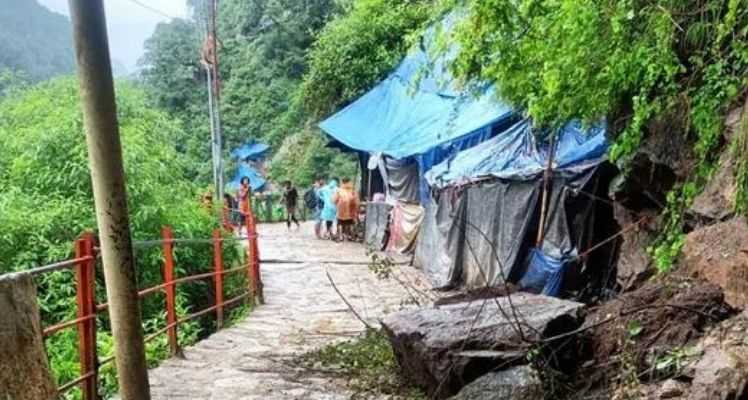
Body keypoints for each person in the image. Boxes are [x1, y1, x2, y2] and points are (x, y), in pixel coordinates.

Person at [333, 177, 360, 241]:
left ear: (342, 182)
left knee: (340, 224)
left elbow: (334, 200)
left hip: (341, 211)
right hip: (351, 211)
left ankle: (340, 236)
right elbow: (357, 202)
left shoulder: (339, 190)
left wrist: (338, 204)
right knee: (350, 224)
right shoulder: (353, 190)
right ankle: (349, 236)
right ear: (349, 182)